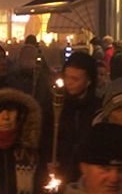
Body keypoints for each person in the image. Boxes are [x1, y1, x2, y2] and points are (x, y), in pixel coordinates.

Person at [41, 51, 103, 182]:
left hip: (87, 174)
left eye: (75, 79)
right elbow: (46, 136)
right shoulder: (54, 104)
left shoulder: (98, 109)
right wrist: (48, 159)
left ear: (88, 81)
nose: (68, 82)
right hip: (59, 171)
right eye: (66, 77)